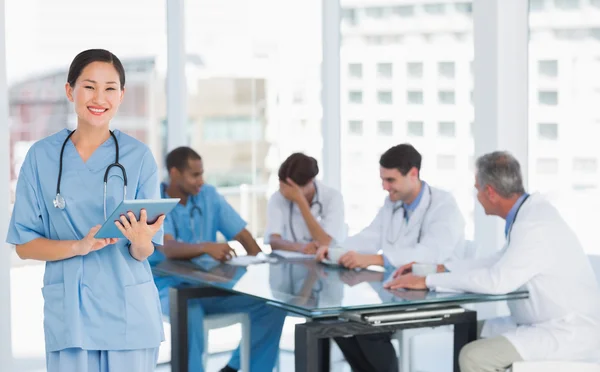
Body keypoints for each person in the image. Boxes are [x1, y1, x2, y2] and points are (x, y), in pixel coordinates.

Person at [6, 49, 165, 372]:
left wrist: (140, 239)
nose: (99, 98)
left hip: (129, 316)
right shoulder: (40, 158)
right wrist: (77, 247)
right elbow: (23, 245)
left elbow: (144, 251)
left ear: (121, 96)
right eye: (89, 86)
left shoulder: (139, 157)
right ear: (70, 91)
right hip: (71, 319)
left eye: (110, 88)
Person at [385, 151, 600, 372]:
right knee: (466, 334)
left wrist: (428, 281)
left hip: (565, 333)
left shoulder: (534, 226)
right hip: (540, 323)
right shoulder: (528, 216)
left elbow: (497, 281)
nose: (476, 196)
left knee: (474, 357)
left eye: (477, 189)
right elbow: (496, 261)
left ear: (490, 192)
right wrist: (441, 269)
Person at [317, 143, 465, 372]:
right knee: (336, 323)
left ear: (413, 174)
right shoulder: (393, 203)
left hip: (431, 294)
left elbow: (429, 255)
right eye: (382, 180)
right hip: (395, 292)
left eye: (391, 180)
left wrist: (373, 260)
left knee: (369, 330)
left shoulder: (444, 206)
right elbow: (370, 235)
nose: (385, 187)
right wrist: (335, 250)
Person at [149, 146, 287, 372]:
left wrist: (260, 267)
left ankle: (233, 368)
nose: (200, 181)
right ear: (174, 173)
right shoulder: (156, 201)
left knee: (271, 306)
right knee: (189, 311)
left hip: (208, 286)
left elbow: (242, 235)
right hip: (168, 289)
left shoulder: (208, 196)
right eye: (195, 175)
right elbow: (169, 248)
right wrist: (206, 247)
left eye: (202, 174)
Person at [265, 152, 346, 254]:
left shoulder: (333, 197)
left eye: (292, 188)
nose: (285, 191)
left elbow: (325, 242)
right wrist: (301, 247)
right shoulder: (277, 197)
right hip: (290, 264)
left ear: (311, 181)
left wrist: (300, 202)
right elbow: (274, 241)